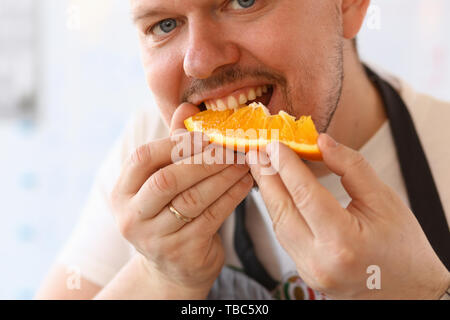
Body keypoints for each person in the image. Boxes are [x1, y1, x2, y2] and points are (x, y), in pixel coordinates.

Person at [35, 0, 450, 300]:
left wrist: (420, 293)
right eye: (163, 24)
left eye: (243, 1)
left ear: (348, 5)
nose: (199, 62)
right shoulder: (151, 149)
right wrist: (160, 279)